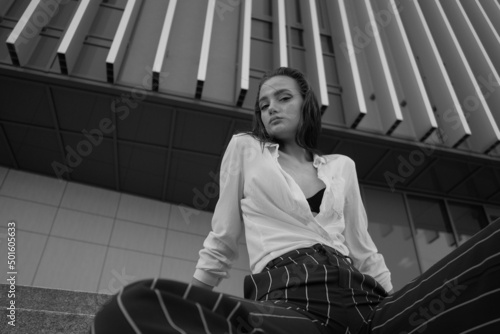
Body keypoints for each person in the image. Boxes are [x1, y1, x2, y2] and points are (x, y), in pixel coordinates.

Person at [91, 67, 500, 334]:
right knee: (130, 309)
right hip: (292, 302)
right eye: (263, 104)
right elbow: (222, 238)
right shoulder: (246, 150)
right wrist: (196, 298)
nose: (271, 109)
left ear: (307, 105)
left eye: (283, 97)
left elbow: (364, 249)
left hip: (370, 308)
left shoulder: (342, 166)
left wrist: (401, 301)